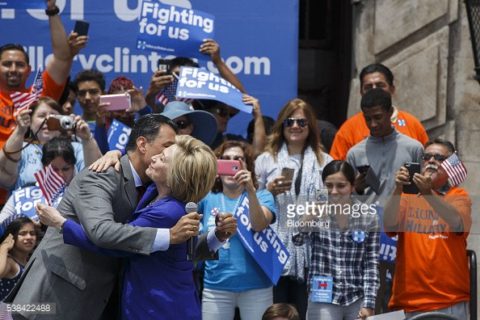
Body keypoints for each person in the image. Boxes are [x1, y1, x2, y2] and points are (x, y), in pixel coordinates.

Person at [7, 114, 218, 320]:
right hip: (56, 293)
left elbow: (170, 248)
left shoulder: (160, 194)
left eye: (168, 154)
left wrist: (61, 223)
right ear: (143, 145)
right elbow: (101, 232)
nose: (165, 154)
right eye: (165, 148)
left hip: (124, 301)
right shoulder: (102, 175)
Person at [0, 0, 85, 208]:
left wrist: (52, 10)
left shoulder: (39, 96)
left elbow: (62, 57)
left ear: (28, 70)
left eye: (19, 65)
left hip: (29, 199)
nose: (13, 69)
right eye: (6, 64)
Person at [255, 98, 333, 319]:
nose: (296, 126)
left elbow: (331, 201)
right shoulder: (265, 160)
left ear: (310, 126)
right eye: (290, 122)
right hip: (274, 250)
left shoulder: (325, 161)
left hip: (312, 251)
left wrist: (312, 215)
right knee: (276, 313)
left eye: (302, 122)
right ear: (282, 125)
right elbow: (253, 202)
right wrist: (268, 190)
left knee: (307, 313)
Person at [383, 139, 471, 319]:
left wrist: (428, 194)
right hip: (406, 304)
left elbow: (457, 223)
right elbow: (389, 226)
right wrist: (398, 189)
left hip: (448, 302)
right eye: (427, 157)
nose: (431, 161)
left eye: (439, 157)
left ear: (450, 166)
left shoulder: (458, 196)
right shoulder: (407, 196)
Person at [200, 140, 276, 320]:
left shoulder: (262, 195)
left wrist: (250, 190)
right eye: (225, 159)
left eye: (237, 159)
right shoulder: (205, 197)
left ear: (247, 166)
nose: (231, 162)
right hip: (216, 287)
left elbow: (259, 224)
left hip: (257, 287)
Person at [295, 161, 379, 320]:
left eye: (341, 186)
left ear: (352, 186)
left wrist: (369, 303)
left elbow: (371, 263)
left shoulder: (368, 215)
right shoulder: (314, 209)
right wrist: (308, 219)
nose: (334, 191)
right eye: (328, 185)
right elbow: (298, 241)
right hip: (323, 296)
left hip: (356, 297)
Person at [330, 63, 428, 160]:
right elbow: (336, 169)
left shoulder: (412, 124)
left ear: (392, 89)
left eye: (380, 85)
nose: (374, 90)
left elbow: (427, 161)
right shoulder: (348, 129)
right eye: (368, 87)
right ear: (360, 92)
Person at [0, 97, 101, 190]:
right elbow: (6, 180)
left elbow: (93, 178)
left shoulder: (77, 148)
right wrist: (20, 130)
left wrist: (87, 139)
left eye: (53, 116)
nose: (47, 120)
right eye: (41, 116)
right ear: (29, 122)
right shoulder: (21, 148)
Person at [0, 137, 77, 227]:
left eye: (66, 169)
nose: (60, 175)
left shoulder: (82, 193)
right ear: (43, 166)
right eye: (54, 169)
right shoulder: (22, 194)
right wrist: (23, 224)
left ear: (73, 167)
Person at [0, 217, 37, 301]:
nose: (29, 237)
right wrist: (4, 247)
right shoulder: (9, 262)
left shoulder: (30, 262)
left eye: (32, 233)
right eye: (23, 233)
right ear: (11, 237)